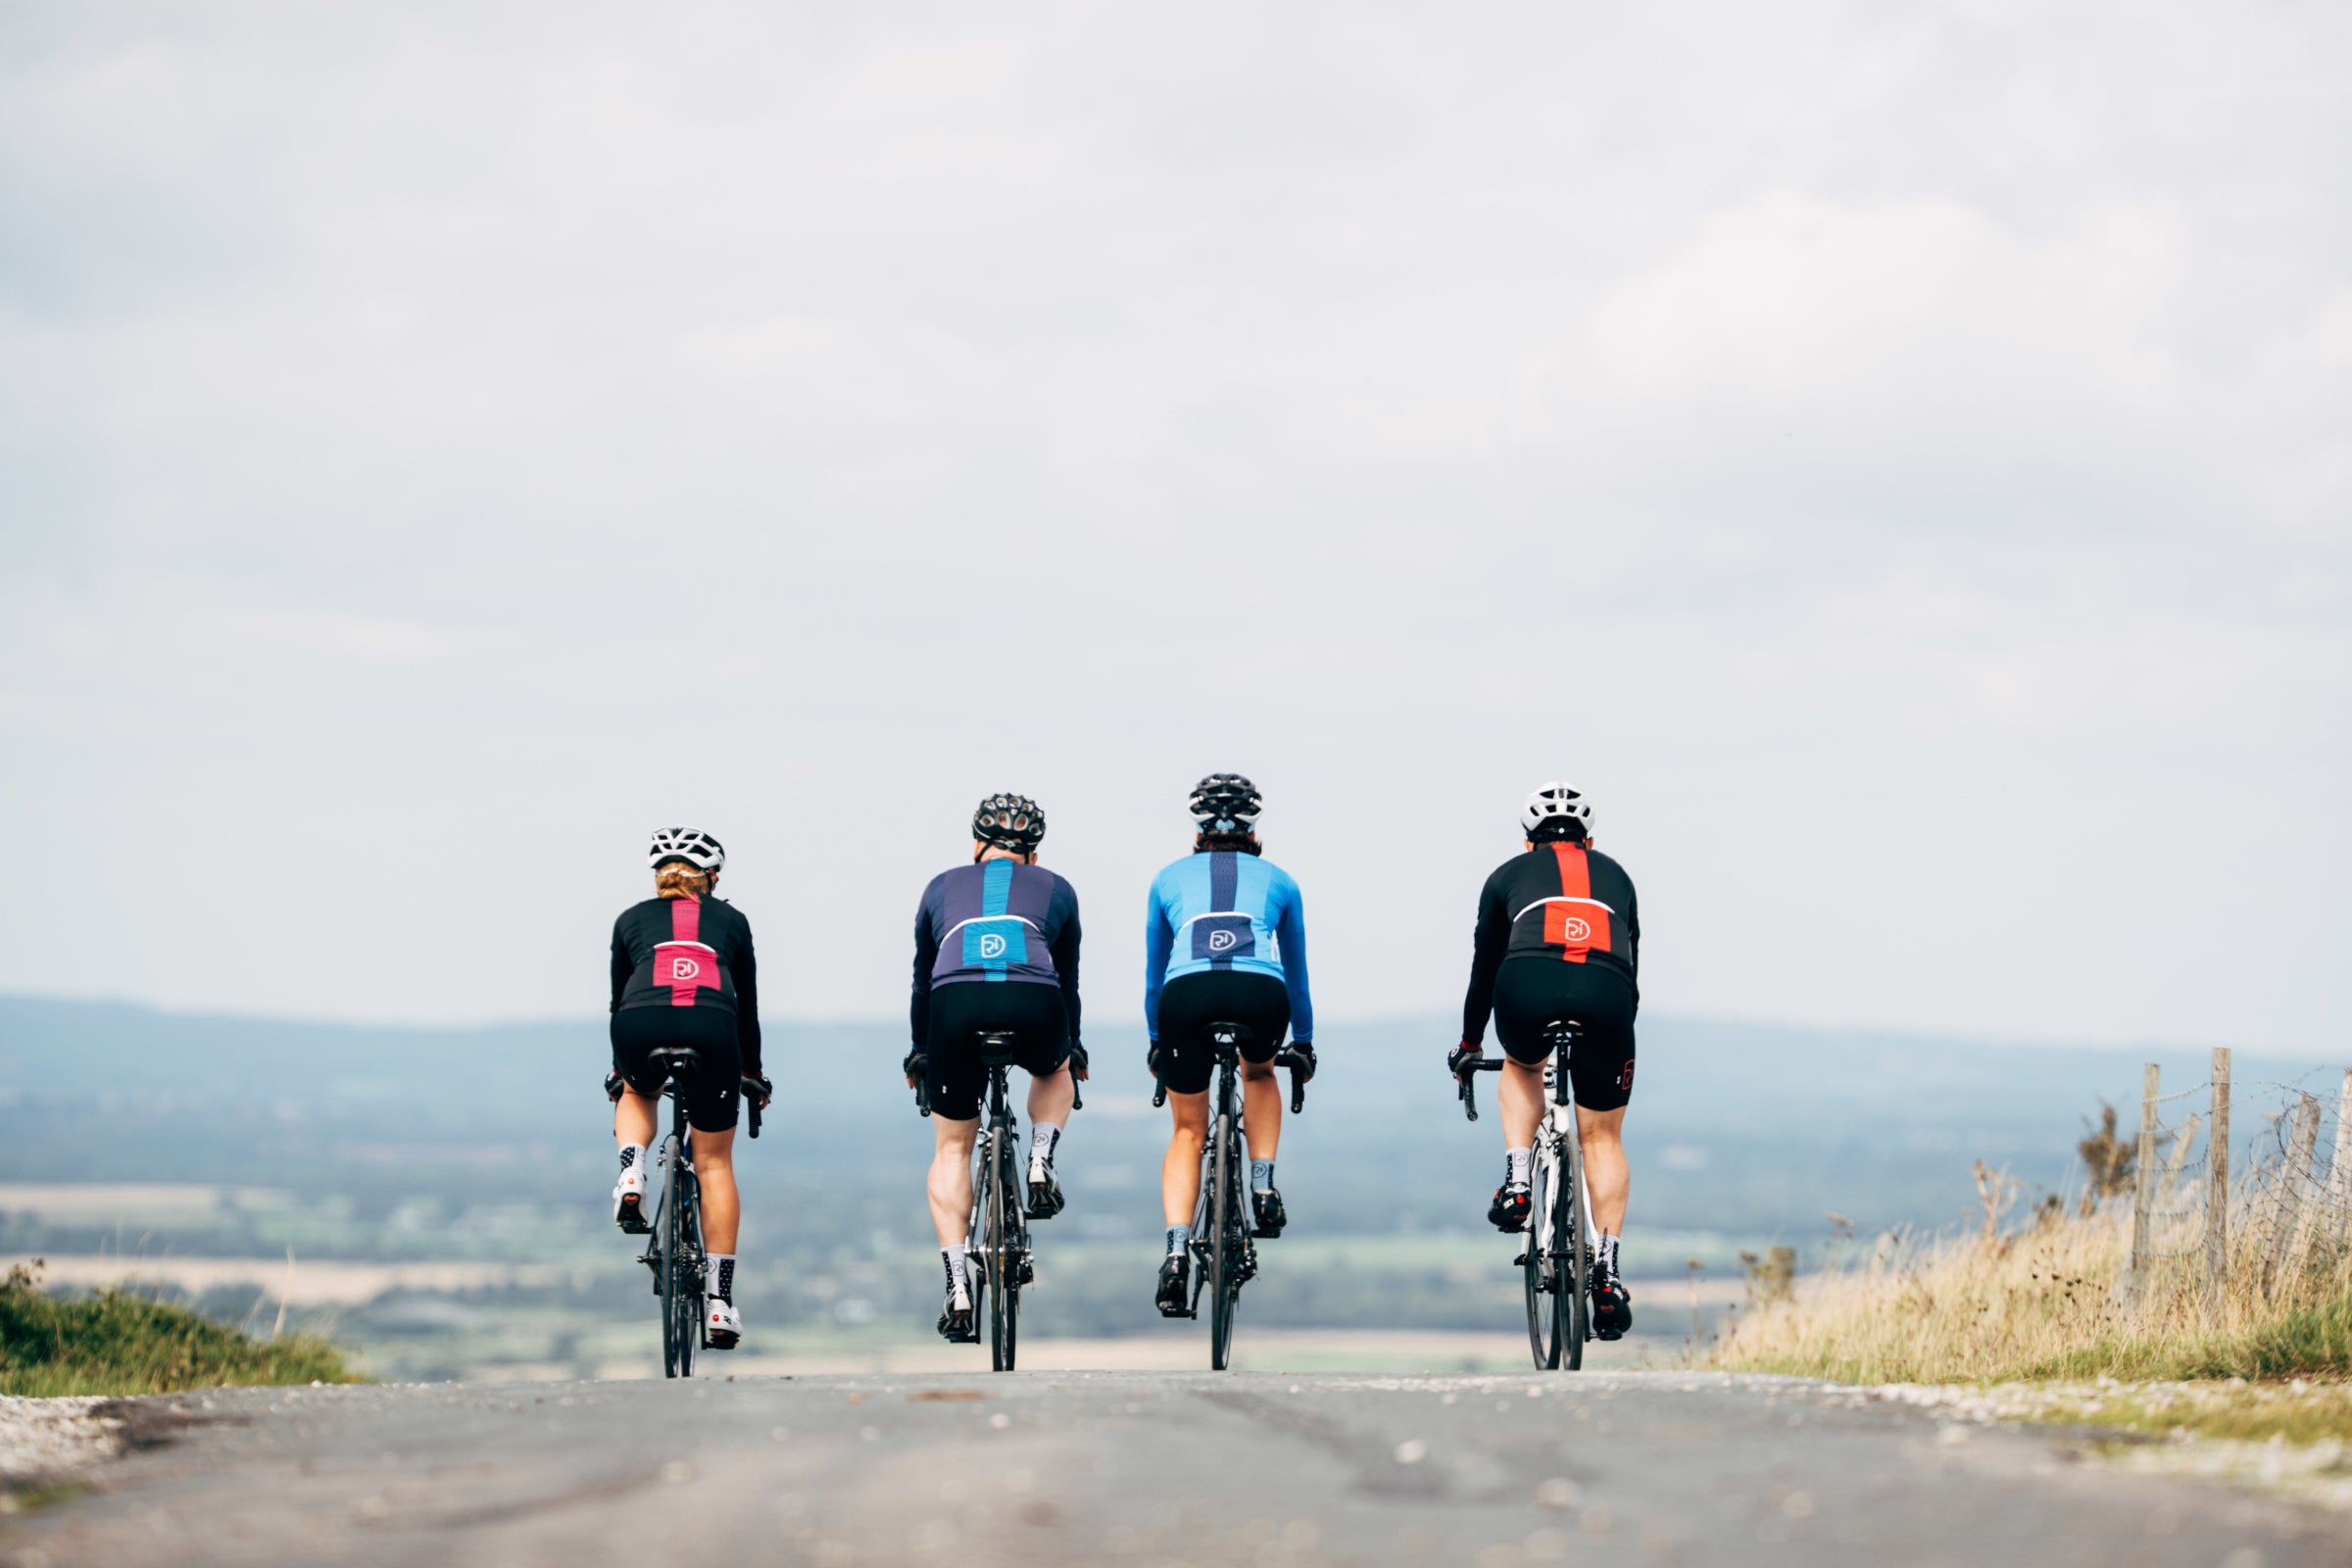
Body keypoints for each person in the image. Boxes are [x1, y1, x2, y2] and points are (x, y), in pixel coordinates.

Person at [1448, 783, 1642, 1340]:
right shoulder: (1618, 875)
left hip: (1525, 982)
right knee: (1601, 1136)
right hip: (1606, 993)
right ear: (1590, 841)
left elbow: (1484, 968)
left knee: (1522, 1064)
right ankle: (1606, 1269)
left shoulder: (1507, 874)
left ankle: (1516, 1180)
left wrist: (1468, 1044)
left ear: (1529, 844)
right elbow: (1632, 966)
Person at [906, 793, 1086, 1343]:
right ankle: (1039, 1158)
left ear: (977, 846)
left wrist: (921, 1052)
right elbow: (1068, 977)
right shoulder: (1057, 887)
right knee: (1054, 1069)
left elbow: (921, 978)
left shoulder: (941, 885)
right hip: (1034, 998)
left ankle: (957, 1283)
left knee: (952, 1147)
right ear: (1032, 854)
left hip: (953, 1001)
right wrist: (1071, 1047)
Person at [1143, 773, 1317, 1316]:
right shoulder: (1281, 881)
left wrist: (1157, 1040)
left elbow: (1154, 977)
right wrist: (1304, 1043)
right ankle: (1263, 1187)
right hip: (1259, 992)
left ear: (1197, 827)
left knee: (1189, 1128)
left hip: (1184, 997)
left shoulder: (1167, 878)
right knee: (1259, 1072)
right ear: (1253, 826)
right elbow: (1297, 975)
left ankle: (1175, 1255)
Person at [608, 827, 770, 1351]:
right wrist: (753, 1073)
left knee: (636, 1090)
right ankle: (720, 1304)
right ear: (714, 878)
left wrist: (621, 1069)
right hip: (713, 1025)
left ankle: (631, 1171)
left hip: (639, 1023)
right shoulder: (732, 921)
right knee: (714, 1162)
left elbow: (618, 1000)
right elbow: (746, 1010)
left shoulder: (630, 919)